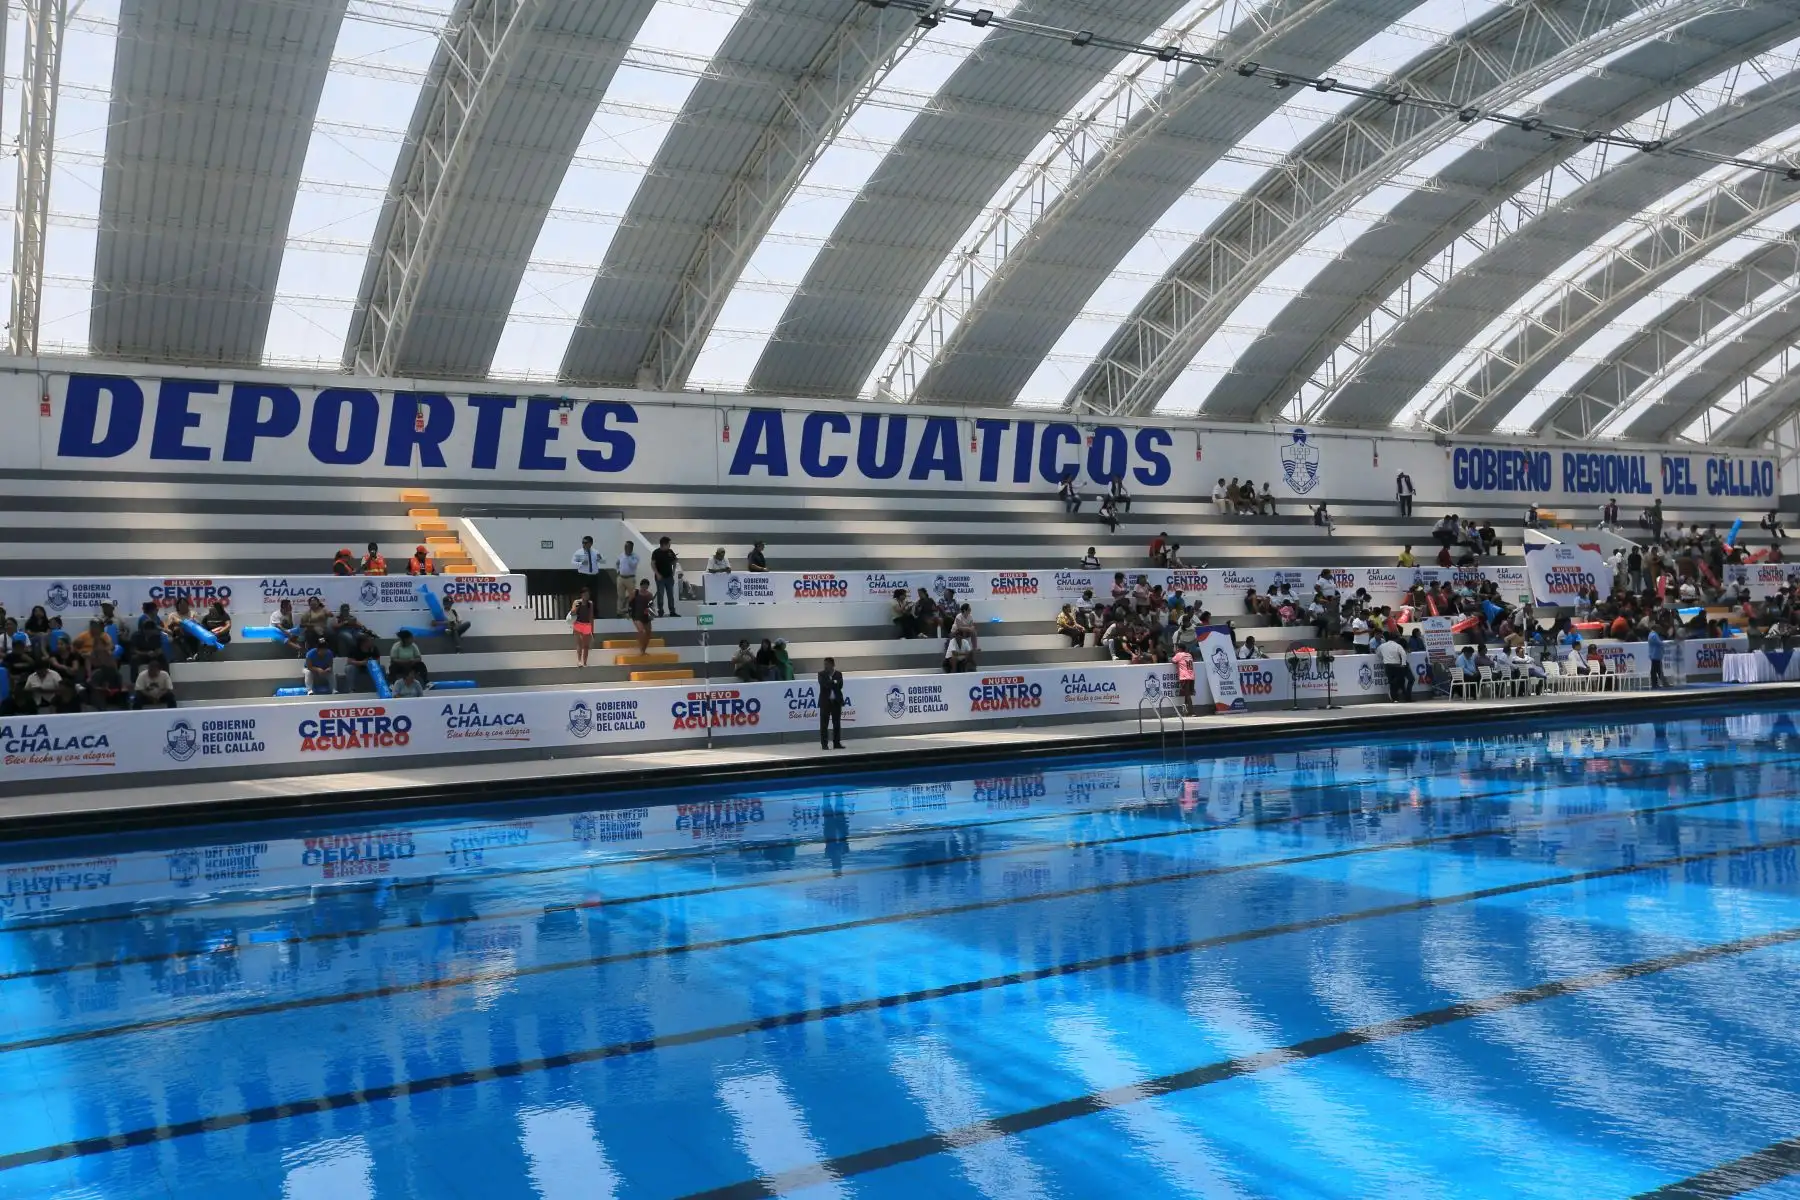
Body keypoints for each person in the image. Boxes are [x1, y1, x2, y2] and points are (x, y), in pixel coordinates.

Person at [817, 657, 846, 749]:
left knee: (836, 724)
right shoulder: (821, 674)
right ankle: (824, 744)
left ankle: (836, 743)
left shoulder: (838, 674)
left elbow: (840, 685)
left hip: (836, 702)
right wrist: (834, 682)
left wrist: (831, 682)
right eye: (824, 664)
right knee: (824, 724)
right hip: (825, 702)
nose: (825, 666)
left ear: (833, 665)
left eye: (827, 664)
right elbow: (824, 684)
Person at [1377, 632, 1411, 702]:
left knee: (1391, 682)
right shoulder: (1397, 646)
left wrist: (1383, 658)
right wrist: (1403, 664)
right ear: (1396, 639)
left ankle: (1394, 698)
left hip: (1388, 666)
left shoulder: (1382, 646)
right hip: (1397, 666)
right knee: (1399, 681)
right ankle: (1404, 697)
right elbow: (1404, 654)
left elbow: (1378, 653)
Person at [651, 537, 679, 618]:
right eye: (669, 544)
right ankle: (660, 611)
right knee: (660, 595)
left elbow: (674, 561)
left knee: (670, 595)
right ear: (664, 544)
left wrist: (673, 571)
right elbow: (653, 564)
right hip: (660, 577)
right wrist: (657, 574)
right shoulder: (656, 552)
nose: (670, 546)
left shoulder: (670, 551)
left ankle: (672, 611)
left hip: (669, 577)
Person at [628, 578, 656, 655]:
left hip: (646, 616)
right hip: (636, 616)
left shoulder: (649, 595)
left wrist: (650, 615)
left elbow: (651, 607)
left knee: (648, 633)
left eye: (646, 587)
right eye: (643, 586)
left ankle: (643, 650)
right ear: (640, 586)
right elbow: (628, 602)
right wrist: (628, 613)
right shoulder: (635, 593)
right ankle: (640, 647)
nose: (644, 588)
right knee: (642, 631)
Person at [568, 589, 595, 667]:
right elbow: (572, 613)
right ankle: (579, 661)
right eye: (585, 594)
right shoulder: (576, 602)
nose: (587, 596)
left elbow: (591, 617)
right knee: (579, 643)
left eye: (588, 594)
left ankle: (585, 662)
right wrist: (576, 607)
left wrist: (592, 630)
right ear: (582, 595)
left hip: (587, 625)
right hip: (578, 624)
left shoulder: (590, 603)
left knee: (586, 646)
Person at [616, 540, 640, 617]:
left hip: (630, 578)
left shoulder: (635, 556)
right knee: (620, 596)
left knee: (632, 596)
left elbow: (633, 565)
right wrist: (618, 571)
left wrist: (628, 556)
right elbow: (617, 563)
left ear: (631, 548)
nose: (626, 548)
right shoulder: (621, 555)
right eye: (625, 546)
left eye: (628, 547)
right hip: (621, 578)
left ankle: (631, 610)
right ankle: (620, 611)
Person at [1172, 646, 1195, 715]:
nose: (1177, 649)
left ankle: (1191, 712)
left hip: (1184, 677)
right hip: (1191, 676)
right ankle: (1186, 710)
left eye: (1178, 648)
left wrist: (1176, 653)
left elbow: (1173, 660)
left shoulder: (1179, 654)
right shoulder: (1189, 655)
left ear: (1180, 649)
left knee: (1187, 694)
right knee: (1187, 694)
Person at [1647, 623, 1666, 689]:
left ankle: (1658, 683)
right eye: (1659, 629)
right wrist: (1663, 643)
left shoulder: (1653, 634)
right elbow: (1659, 643)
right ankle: (1659, 683)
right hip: (1655, 655)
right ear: (1656, 628)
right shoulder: (1653, 635)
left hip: (1655, 655)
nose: (1660, 630)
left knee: (1656, 670)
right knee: (1656, 670)